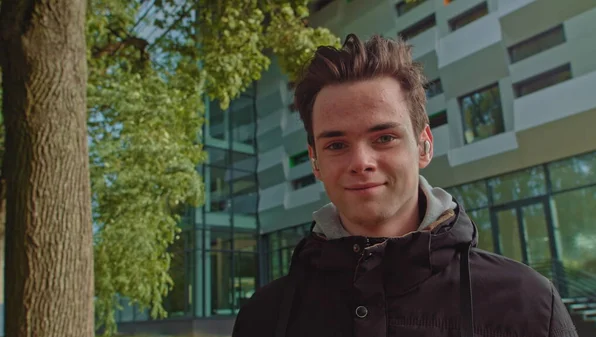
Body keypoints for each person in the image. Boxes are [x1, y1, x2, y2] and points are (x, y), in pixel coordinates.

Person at [232, 34, 578, 337]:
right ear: (315, 161)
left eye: (384, 137)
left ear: (424, 145)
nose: (361, 162)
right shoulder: (263, 317)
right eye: (336, 145)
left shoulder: (528, 304)